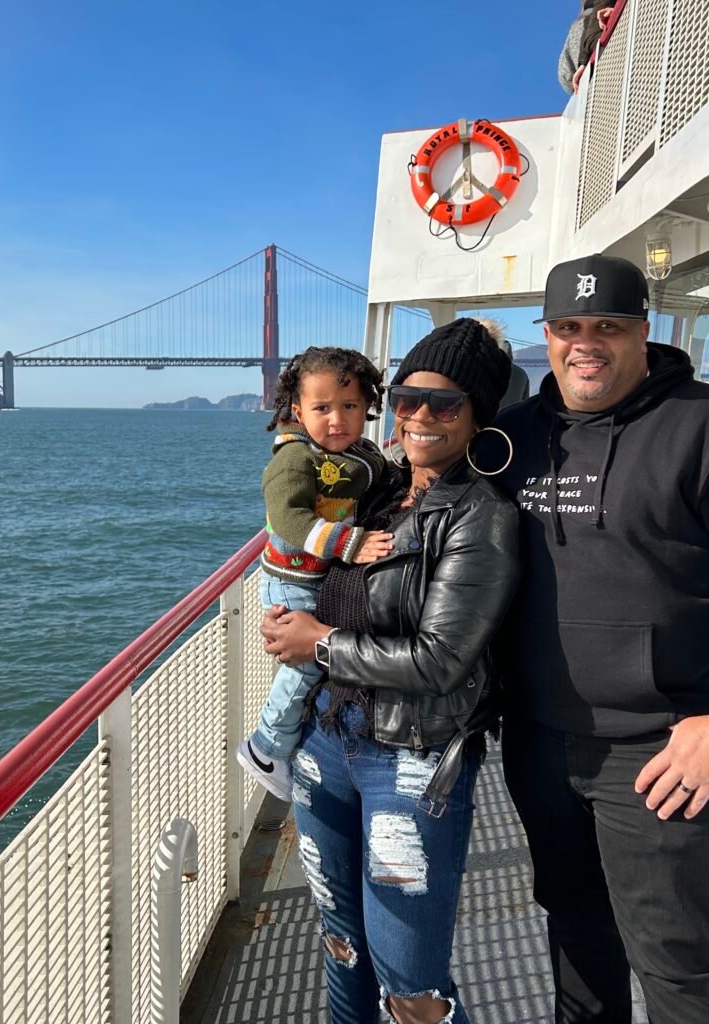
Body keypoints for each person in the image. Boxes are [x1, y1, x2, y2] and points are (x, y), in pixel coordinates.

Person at [262, 319, 520, 1024]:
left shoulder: (479, 515)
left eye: (445, 404)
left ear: (478, 418)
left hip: (410, 759)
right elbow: (310, 554)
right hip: (325, 739)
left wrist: (315, 644)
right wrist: (285, 618)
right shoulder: (374, 487)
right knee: (343, 947)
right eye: (407, 397)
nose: (420, 416)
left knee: (411, 988)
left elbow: (440, 661)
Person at [494, 254, 709, 1024]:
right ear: (546, 336)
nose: (586, 343)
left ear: (644, 331)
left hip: (659, 755)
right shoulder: (511, 438)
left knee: (679, 964)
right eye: (567, 327)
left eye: (608, 326)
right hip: (538, 744)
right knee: (576, 939)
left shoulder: (699, 422)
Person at [237, 346, 391, 801]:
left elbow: (375, 480)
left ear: (367, 407)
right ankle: (267, 747)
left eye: (349, 406)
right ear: (298, 410)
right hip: (292, 578)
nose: (336, 419)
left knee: (316, 657)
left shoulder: (358, 452)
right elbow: (286, 517)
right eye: (321, 408)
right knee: (306, 665)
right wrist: (350, 543)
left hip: (317, 576)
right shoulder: (295, 459)